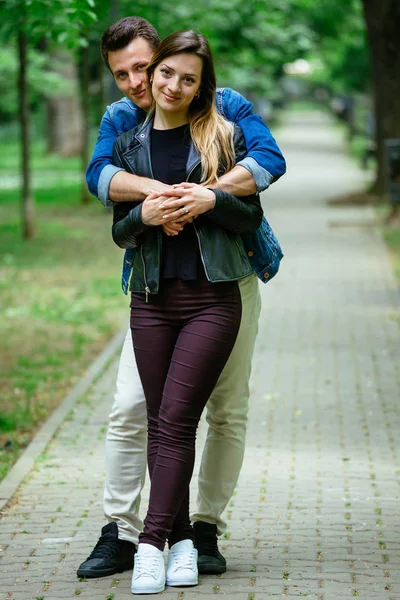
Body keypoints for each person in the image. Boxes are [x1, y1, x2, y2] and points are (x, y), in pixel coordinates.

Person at [78, 16, 286, 581]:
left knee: (226, 410)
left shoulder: (225, 107)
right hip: (156, 290)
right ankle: (122, 531)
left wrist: (205, 195)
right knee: (132, 409)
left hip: (229, 280)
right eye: (122, 74)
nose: (138, 83)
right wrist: (156, 196)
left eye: (144, 67)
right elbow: (99, 177)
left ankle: (203, 528)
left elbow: (268, 163)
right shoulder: (123, 119)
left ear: (167, 58)